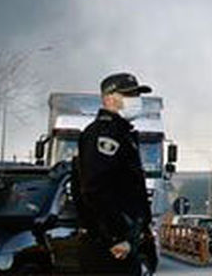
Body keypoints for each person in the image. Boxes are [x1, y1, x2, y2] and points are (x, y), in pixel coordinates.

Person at [76, 72, 157, 274]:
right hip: (110, 246)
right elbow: (94, 188)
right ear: (109, 98)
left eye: (137, 95)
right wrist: (116, 235)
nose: (135, 101)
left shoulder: (122, 133)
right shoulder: (104, 134)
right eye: (128, 95)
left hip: (126, 241)